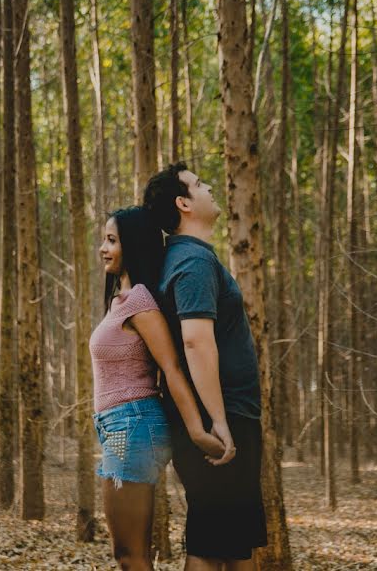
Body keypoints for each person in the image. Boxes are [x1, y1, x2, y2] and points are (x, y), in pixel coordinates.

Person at [90, 206, 230, 571]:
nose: (103, 248)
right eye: (103, 239)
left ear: (132, 245)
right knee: (126, 554)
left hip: (131, 427)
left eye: (111, 240)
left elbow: (171, 368)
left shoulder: (139, 301)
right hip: (118, 429)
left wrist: (198, 431)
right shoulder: (121, 301)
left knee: (131, 555)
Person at [143, 163, 268, 570]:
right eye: (199, 184)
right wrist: (219, 421)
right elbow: (196, 341)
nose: (209, 186)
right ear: (183, 204)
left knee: (233, 545)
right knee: (211, 545)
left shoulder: (187, 258)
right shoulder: (192, 261)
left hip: (225, 413)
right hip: (220, 415)